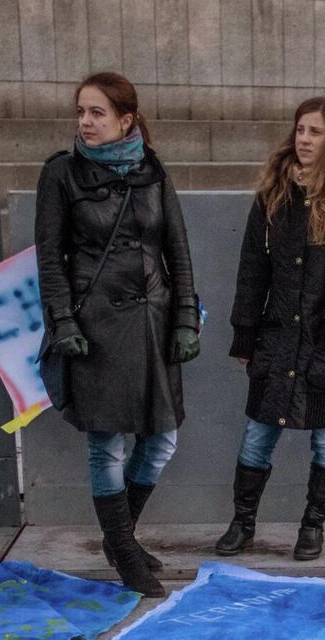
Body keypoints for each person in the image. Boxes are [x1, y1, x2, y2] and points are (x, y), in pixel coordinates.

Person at [35, 70, 199, 598]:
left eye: (97, 112)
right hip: (96, 328)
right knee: (106, 444)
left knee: (162, 439)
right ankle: (125, 551)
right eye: (81, 112)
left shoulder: (153, 170)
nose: (85, 122)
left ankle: (118, 536)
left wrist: (186, 318)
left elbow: (177, 250)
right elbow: (50, 260)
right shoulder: (61, 174)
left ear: (126, 120)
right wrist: (63, 322)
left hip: (154, 324)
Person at [220, 97, 325, 562]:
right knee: (257, 434)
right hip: (277, 340)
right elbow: (252, 270)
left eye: (315, 132)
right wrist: (245, 331)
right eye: (300, 130)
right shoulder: (275, 195)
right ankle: (242, 523)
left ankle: (312, 528)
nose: (303, 139)